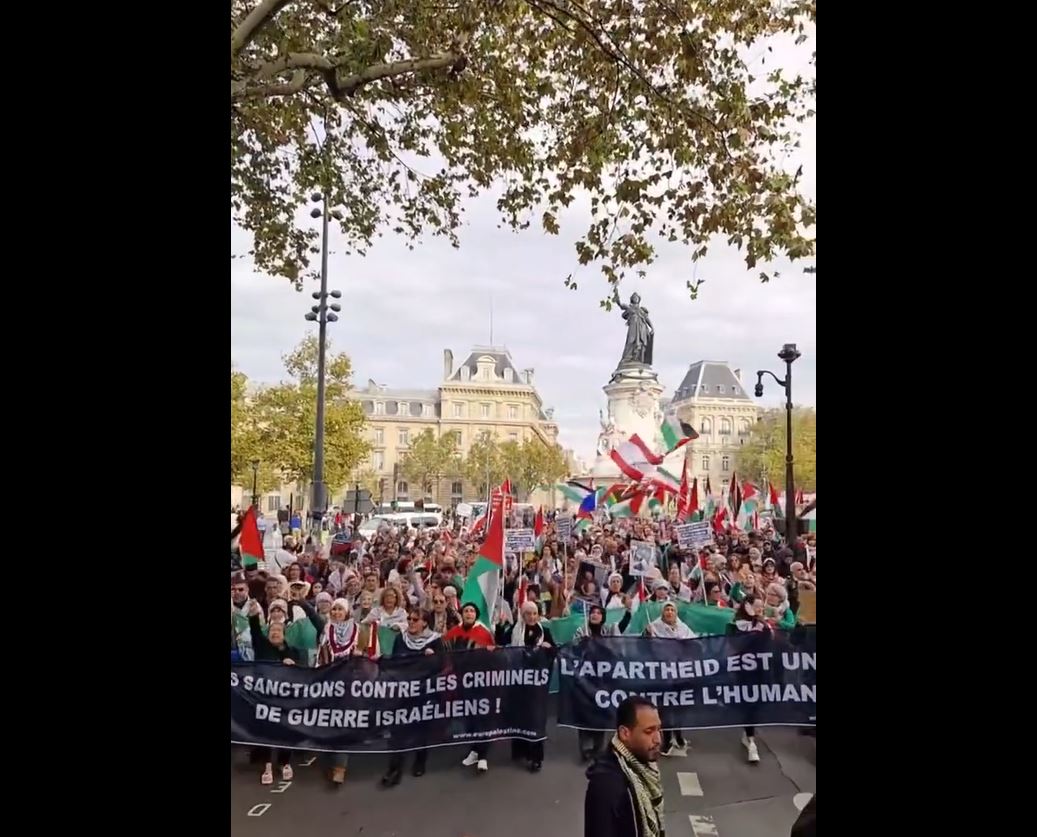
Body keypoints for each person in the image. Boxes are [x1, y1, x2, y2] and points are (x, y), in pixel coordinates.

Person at [584, 695, 664, 837]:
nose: (657, 739)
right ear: (625, 733)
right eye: (649, 731)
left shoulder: (642, 767)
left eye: (659, 729)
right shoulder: (606, 785)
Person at [381, 607, 442, 786]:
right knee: (397, 731)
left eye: (415, 620)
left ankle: (420, 761)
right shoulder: (401, 638)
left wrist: (432, 658)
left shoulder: (435, 640)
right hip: (403, 690)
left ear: (425, 623)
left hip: (423, 691)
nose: (411, 622)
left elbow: (440, 665)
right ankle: (394, 768)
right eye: (409, 619)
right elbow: (395, 662)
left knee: (421, 728)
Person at [246, 600, 305, 784]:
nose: (275, 633)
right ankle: (267, 766)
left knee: (284, 731)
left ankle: (284, 763)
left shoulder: (292, 652)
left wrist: (293, 665)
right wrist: (254, 613)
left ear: (284, 634)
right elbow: (255, 630)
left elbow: (302, 675)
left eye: (279, 630)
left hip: (285, 701)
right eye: (272, 630)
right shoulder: (261, 646)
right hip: (263, 699)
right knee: (265, 732)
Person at [496, 600, 554, 772]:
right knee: (518, 715)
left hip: (536, 684)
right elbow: (501, 642)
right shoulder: (515, 630)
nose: (531, 617)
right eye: (528, 613)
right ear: (522, 615)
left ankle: (536, 757)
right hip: (518, 681)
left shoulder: (544, 632)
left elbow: (554, 652)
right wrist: (500, 626)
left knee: (535, 718)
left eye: (534, 613)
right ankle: (519, 749)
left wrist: (549, 648)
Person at [573, 602, 632, 760]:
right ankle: (585, 747)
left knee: (600, 712)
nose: (595, 615)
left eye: (599, 613)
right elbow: (573, 650)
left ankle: (598, 747)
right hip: (585, 679)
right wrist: (582, 644)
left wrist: (628, 612)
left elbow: (620, 629)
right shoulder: (582, 631)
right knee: (584, 712)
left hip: (602, 680)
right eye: (593, 612)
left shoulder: (608, 631)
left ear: (603, 617)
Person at [443, 603, 496, 772]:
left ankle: (483, 756)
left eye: (472, 611)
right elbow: (442, 648)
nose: (468, 613)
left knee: (482, 718)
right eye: (466, 611)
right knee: (470, 718)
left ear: (476, 615)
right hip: (462, 683)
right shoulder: (454, 632)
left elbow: (494, 655)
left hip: (481, 683)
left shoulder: (483, 632)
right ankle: (474, 751)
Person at [644, 601, 694, 755]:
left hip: (681, 673)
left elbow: (695, 643)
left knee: (680, 705)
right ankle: (666, 739)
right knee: (664, 707)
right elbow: (644, 647)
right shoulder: (654, 627)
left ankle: (678, 734)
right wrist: (647, 635)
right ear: (662, 613)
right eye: (667, 609)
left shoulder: (683, 628)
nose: (670, 612)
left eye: (672, 609)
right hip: (662, 674)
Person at [727, 595, 769, 763]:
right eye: (757, 606)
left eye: (761, 606)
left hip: (761, 670)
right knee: (748, 702)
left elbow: (770, 645)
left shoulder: (764, 626)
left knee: (757, 705)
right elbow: (732, 645)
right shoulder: (736, 625)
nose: (760, 609)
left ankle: (748, 733)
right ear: (748, 606)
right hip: (743, 670)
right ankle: (751, 741)